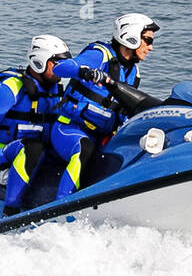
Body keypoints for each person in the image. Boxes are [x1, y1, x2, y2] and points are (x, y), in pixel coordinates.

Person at [49, 13, 159, 200]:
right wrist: (85, 72)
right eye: (147, 40)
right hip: (69, 128)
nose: (151, 47)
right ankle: (61, 205)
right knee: (82, 148)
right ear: (131, 36)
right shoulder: (100, 54)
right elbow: (60, 68)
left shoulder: (134, 72)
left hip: (102, 136)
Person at [0, 35, 70, 215]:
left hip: (41, 153)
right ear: (39, 62)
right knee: (34, 147)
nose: (63, 69)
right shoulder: (11, 87)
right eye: (57, 63)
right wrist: (1, 165)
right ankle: (10, 209)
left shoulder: (57, 89)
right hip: (9, 153)